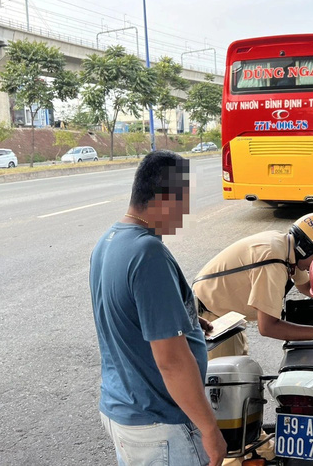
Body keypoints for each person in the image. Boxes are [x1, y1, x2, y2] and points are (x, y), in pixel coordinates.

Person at [89, 151, 227, 466]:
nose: (184, 215)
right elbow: (172, 362)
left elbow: (126, 317)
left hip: (121, 408)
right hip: (158, 425)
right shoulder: (148, 253)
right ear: (165, 197)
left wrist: (185, 322)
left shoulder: (108, 242)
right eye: (183, 203)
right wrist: (209, 429)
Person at [193, 212, 313, 360]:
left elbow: (306, 285)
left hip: (227, 317)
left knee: (243, 377)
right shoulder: (274, 262)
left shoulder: (287, 247)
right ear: (306, 248)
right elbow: (268, 327)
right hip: (211, 321)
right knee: (226, 389)